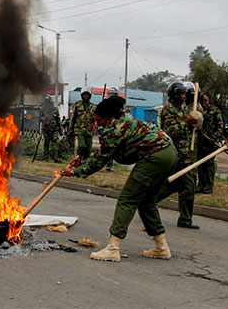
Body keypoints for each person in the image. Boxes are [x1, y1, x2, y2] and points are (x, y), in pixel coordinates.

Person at [61, 95, 178, 262]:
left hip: (155, 157)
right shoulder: (121, 120)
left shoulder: (113, 129)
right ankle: (161, 247)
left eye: (98, 120)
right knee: (146, 201)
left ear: (108, 117)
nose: (96, 123)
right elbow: (106, 152)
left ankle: (113, 248)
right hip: (169, 153)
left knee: (127, 199)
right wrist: (83, 162)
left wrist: (74, 172)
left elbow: (101, 159)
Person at [156, 82, 203, 229]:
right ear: (176, 95)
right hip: (175, 153)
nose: (184, 96)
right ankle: (148, 202)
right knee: (182, 185)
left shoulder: (180, 109)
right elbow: (170, 131)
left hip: (184, 153)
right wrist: (187, 123)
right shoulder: (169, 110)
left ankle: (185, 218)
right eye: (182, 94)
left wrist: (194, 123)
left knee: (185, 186)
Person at [196, 93, 224, 193]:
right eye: (202, 101)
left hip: (211, 143)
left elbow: (220, 126)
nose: (204, 103)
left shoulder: (214, 110)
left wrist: (214, 137)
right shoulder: (198, 112)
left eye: (206, 100)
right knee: (200, 165)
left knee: (209, 165)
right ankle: (200, 185)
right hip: (200, 142)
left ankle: (209, 186)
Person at [68, 87, 96, 161]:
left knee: (88, 149)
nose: (86, 96)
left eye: (87, 95)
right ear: (82, 95)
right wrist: (70, 129)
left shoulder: (93, 106)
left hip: (89, 130)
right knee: (82, 145)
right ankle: (77, 158)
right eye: (84, 95)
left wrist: (94, 118)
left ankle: (84, 162)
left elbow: (95, 119)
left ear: (90, 96)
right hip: (79, 129)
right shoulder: (77, 104)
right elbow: (73, 118)